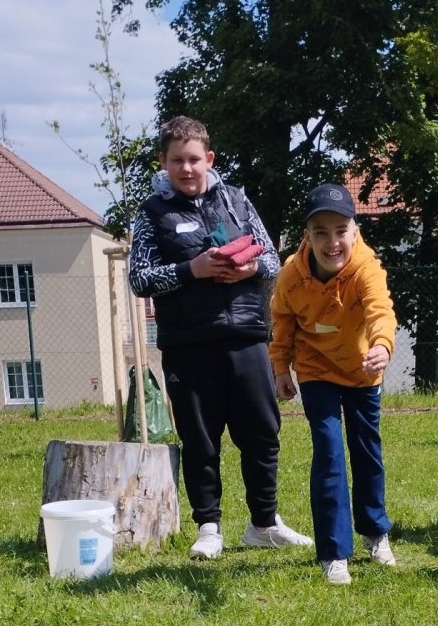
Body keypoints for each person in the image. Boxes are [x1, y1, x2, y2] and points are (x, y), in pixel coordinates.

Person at [128, 116, 312, 559]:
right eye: (177, 160)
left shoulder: (236, 201)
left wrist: (251, 268)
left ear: (209, 159)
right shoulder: (151, 214)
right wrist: (191, 270)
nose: (187, 168)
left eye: (194, 159)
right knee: (201, 440)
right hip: (188, 345)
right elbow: (139, 278)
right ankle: (208, 528)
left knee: (263, 433)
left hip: (248, 337)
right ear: (164, 162)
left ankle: (264, 524)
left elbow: (273, 260)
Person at [270, 183, 397, 586]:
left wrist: (382, 345)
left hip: (362, 369)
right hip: (316, 370)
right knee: (328, 452)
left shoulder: (366, 268)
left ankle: (375, 533)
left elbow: (381, 311)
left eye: (341, 231)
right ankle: (334, 553)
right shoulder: (291, 275)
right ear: (307, 236)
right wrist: (280, 368)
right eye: (321, 232)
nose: (332, 242)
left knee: (366, 450)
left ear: (355, 231)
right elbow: (282, 321)